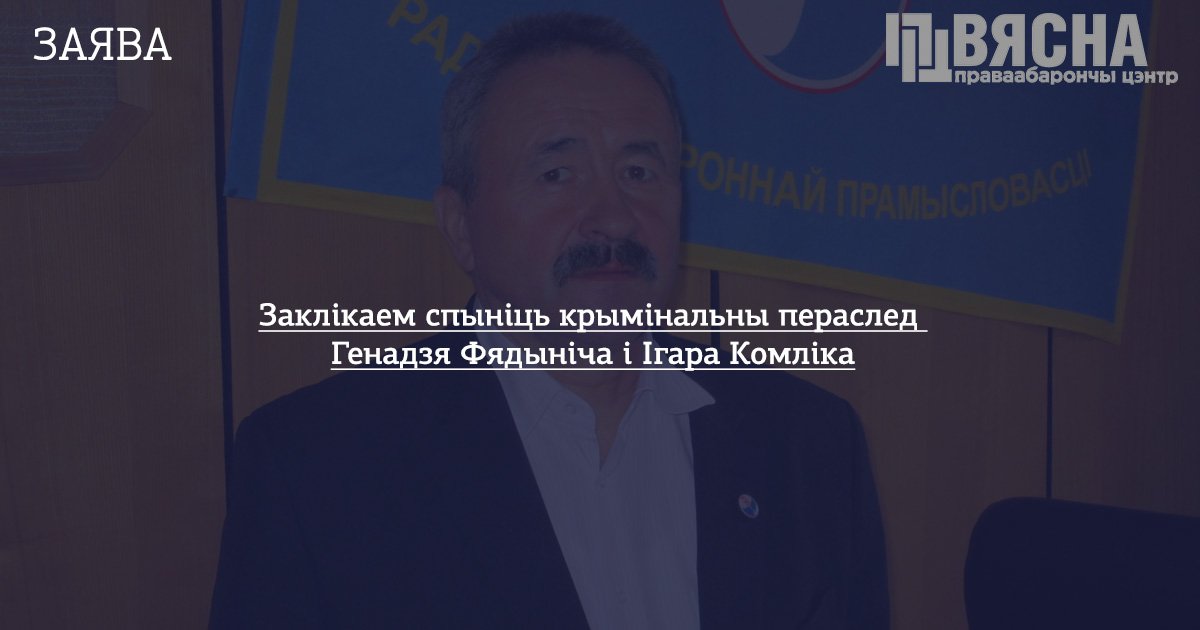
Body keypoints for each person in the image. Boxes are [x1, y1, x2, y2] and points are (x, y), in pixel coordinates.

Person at [210, 12, 888, 629]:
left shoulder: (807, 445)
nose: (614, 218)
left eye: (639, 171)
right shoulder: (320, 468)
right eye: (558, 175)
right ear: (461, 227)